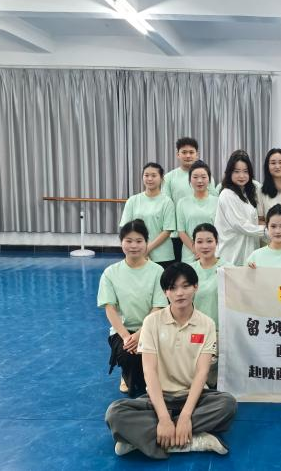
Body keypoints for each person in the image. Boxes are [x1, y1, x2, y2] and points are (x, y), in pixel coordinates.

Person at [105, 263, 237, 459]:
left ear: (196, 287)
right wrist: (163, 418)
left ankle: (143, 439)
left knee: (227, 404)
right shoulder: (151, 322)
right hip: (158, 398)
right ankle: (192, 440)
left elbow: (202, 372)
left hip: (193, 397)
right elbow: (149, 371)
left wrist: (185, 416)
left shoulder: (207, 324)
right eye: (172, 288)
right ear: (165, 292)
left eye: (185, 286)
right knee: (115, 413)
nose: (179, 293)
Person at [97, 220, 167, 397]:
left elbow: (158, 307)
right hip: (123, 332)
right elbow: (110, 308)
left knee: (150, 366)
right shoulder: (110, 273)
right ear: (121, 242)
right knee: (129, 356)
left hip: (152, 328)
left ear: (146, 242)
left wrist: (141, 334)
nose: (134, 246)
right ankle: (126, 374)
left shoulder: (157, 271)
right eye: (128, 241)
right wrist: (127, 337)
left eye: (139, 241)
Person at [162, 137, 216, 262]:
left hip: (206, 236)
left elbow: (213, 199)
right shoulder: (169, 177)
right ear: (178, 154)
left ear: (197, 154)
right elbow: (167, 206)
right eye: (184, 152)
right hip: (178, 234)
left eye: (191, 152)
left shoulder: (208, 177)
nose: (188, 155)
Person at [188, 223, 227, 387]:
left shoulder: (228, 268)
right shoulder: (187, 271)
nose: (205, 246)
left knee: (212, 378)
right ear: (193, 244)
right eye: (200, 241)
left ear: (217, 242)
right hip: (194, 330)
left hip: (221, 331)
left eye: (209, 241)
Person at [120, 162, 176, 268]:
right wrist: (139, 249)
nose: (150, 179)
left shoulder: (167, 202)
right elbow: (125, 229)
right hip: (136, 253)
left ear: (162, 179)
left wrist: (147, 249)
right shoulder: (133, 200)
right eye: (146, 175)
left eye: (154, 175)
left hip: (162, 256)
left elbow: (167, 231)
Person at [214, 150, 263, 266]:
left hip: (247, 250)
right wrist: (266, 231)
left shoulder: (248, 193)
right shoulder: (227, 194)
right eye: (236, 171)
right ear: (229, 173)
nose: (241, 176)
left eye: (245, 171)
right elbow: (240, 225)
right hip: (231, 253)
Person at [175, 161, 218, 264]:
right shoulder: (182, 202)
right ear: (190, 179)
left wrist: (207, 250)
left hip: (212, 253)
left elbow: (220, 230)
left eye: (203, 177)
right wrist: (195, 250)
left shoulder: (218, 202)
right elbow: (181, 231)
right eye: (195, 177)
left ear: (209, 179)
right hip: (190, 255)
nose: (199, 181)